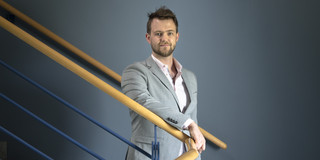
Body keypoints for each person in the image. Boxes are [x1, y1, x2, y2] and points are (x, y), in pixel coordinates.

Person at [121, 6, 205, 160]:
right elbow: (144, 102)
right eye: (158, 34)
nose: (164, 39)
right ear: (148, 37)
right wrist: (188, 123)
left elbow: (193, 119)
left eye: (170, 33)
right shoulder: (134, 71)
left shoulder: (190, 77)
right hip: (149, 156)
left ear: (177, 36)